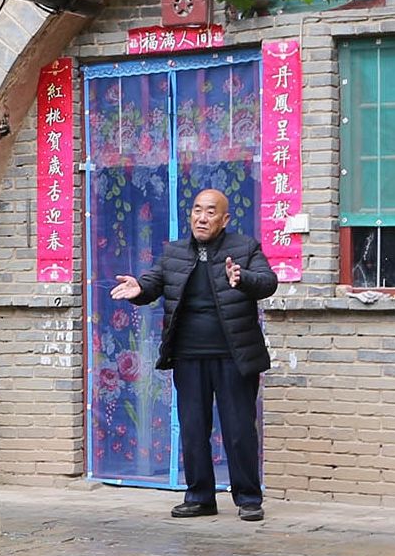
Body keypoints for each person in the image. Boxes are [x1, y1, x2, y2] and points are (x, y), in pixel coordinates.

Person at [109, 188, 277, 520]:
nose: (202, 217)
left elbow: (267, 282)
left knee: (239, 427)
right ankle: (200, 496)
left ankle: (248, 498)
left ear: (225, 219)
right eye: (197, 210)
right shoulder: (174, 252)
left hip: (233, 354)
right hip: (188, 354)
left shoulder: (244, 248)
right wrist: (139, 289)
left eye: (211, 212)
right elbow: (154, 282)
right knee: (192, 427)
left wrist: (242, 279)